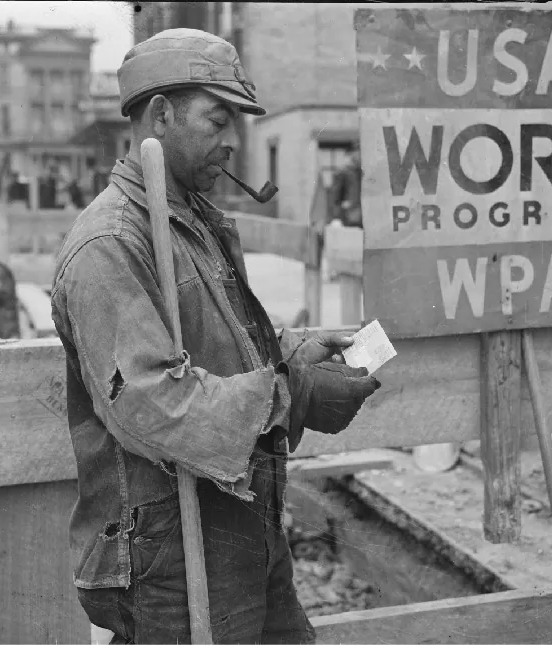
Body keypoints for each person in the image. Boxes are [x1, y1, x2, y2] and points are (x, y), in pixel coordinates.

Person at [51, 28, 380, 645]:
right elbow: (151, 404)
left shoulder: (190, 221)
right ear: (160, 114)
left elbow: (218, 337)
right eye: (217, 120)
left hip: (235, 517)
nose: (232, 142)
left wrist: (293, 355)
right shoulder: (112, 244)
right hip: (172, 547)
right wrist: (291, 396)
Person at [330, 144, 363, 228]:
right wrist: (336, 216)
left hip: (364, 214)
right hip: (348, 214)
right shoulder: (343, 172)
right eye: (357, 152)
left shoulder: (364, 172)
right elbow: (335, 196)